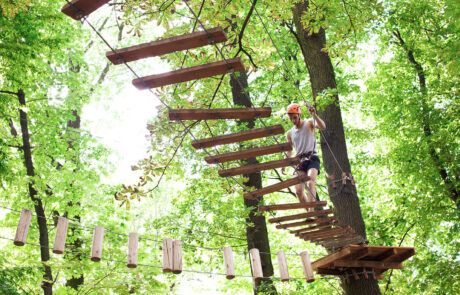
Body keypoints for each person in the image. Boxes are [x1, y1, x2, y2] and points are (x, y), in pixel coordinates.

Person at [282, 103, 326, 204]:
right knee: (298, 191)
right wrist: (284, 164)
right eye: (290, 118)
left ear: (299, 115)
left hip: (312, 158)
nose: (293, 120)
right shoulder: (290, 133)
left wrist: (314, 115)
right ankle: (309, 214)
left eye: (295, 117)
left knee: (310, 183)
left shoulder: (309, 123)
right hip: (300, 162)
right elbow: (289, 150)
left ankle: (310, 212)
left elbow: (323, 127)